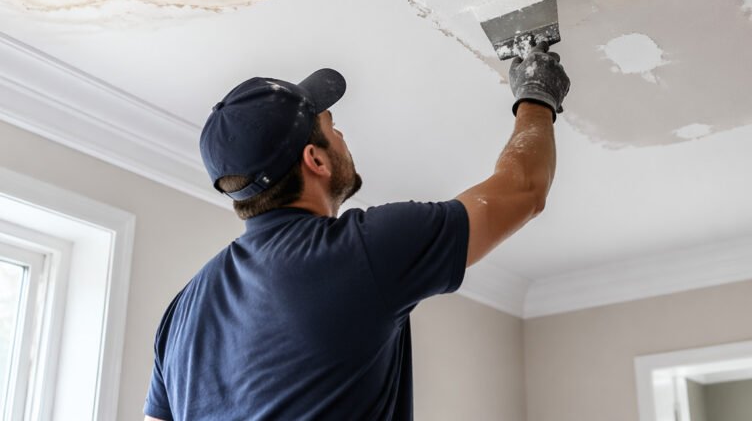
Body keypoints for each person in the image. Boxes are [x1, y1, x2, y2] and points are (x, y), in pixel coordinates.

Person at [144, 46, 570, 421]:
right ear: (316, 159)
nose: (341, 135)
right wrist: (537, 95)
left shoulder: (181, 312)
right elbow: (522, 190)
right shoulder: (360, 251)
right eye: (331, 126)